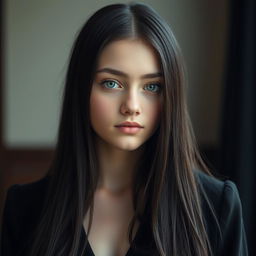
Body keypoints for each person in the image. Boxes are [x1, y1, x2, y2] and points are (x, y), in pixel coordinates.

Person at [1, 2, 248, 256]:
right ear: (81, 87)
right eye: (111, 83)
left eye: (152, 87)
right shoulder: (24, 209)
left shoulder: (216, 207)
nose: (132, 106)